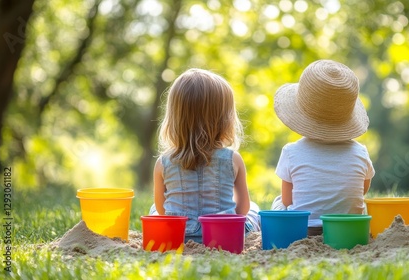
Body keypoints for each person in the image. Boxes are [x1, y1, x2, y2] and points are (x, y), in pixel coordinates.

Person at [149, 68, 260, 243]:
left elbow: (162, 210)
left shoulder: (163, 163)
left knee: (153, 210)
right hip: (224, 235)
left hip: (180, 235)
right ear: (225, 119)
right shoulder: (233, 159)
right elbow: (243, 209)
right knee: (254, 208)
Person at [271, 59, 375, 236]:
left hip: (305, 229)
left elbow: (288, 201)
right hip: (348, 229)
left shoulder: (291, 151)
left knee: (278, 203)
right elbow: (362, 189)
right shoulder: (361, 152)